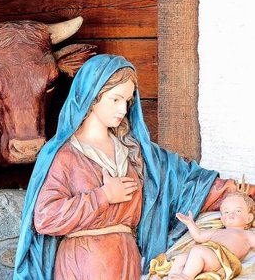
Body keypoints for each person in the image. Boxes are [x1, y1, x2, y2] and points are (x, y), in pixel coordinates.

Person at [13, 54, 255, 279]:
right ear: (92, 96)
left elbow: (186, 183)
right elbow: (46, 218)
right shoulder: (66, 154)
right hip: (85, 260)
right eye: (115, 99)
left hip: (129, 258)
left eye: (127, 101)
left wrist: (240, 192)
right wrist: (103, 196)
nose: (122, 109)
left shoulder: (134, 152)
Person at [163, 192, 255, 280]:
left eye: (238, 211)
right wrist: (190, 223)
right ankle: (172, 277)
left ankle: (186, 277)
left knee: (197, 250)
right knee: (180, 258)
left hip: (221, 260)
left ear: (249, 218)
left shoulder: (246, 234)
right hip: (206, 254)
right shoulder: (216, 231)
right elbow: (199, 236)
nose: (231, 215)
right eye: (226, 212)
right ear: (222, 219)